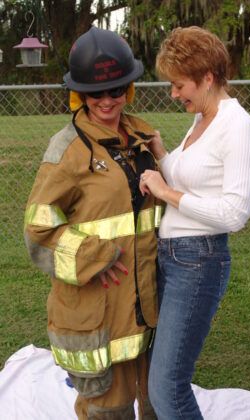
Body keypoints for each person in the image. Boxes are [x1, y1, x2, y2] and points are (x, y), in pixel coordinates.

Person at [24, 26, 161, 419]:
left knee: (160, 405)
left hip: (148, 305)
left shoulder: (143, 137)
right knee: (108, 411)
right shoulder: (66, 151)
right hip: (100, 314)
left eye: (116, 90)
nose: (107, 100)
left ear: (129, 89)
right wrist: (94, 256)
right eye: (95, 92)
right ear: (79, 95)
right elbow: (39, 231)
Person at [139, 26, 250, 419]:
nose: (174, 94)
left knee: (167, 387)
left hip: (198, 262)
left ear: (207, 77)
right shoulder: (202, 119)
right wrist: (161, 151)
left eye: (179, 85)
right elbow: (193, 178)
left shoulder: (237, 126)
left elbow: (234, 213)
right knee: (156, 375)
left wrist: (165, 192)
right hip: (171, 257)